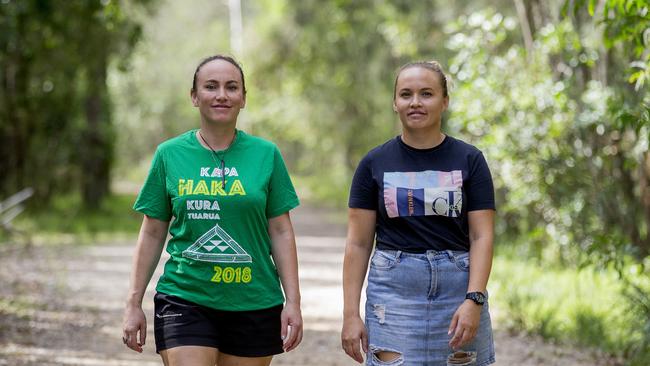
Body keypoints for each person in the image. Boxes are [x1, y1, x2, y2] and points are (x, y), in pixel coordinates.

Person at [122, 54, 303, 366]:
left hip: (254, 300)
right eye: (211, 86)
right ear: (194, 97)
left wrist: (294, 302)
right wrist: (133, 303)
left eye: (232, 87)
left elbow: (281, 231)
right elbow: (152, 231)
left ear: (243, 98)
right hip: (185, 296)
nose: (222, 95)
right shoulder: (169, 155)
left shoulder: (266, 155)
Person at [341, 60, 496, 365]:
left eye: (427, 94)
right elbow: (357, 244)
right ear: (395, 103)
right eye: (406, 94)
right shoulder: (373, 163)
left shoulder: (471, 159)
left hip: (458, 290)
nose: (415, 102)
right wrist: (350, 314)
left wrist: (474, 299)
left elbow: (482, 236)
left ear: (444, 101)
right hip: (393, 293)